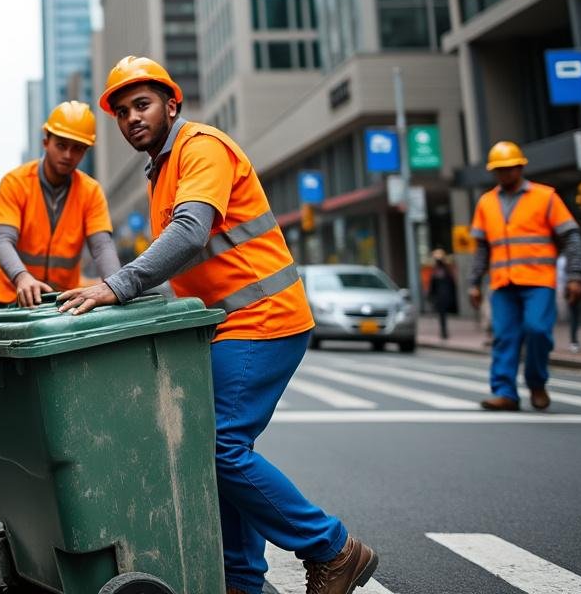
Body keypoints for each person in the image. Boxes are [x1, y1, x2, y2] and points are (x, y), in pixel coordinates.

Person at [56, 56, 377, 594]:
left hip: (263, 318)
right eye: (123, 111)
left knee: (218, 444)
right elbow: (184, 263)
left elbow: (189, 234)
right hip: (229, 325)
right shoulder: (161, 170)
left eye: (144, 104)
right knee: (224, 450)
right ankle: (242, 580)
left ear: (171, 104)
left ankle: (332, 548)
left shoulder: (201, 148)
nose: (133, 117)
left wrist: (118, 286)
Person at [467, 141, 581, 411]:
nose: (505, 174)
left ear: (520, 167)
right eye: (500, 170)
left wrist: (577, 275)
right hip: (502, 283)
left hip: (539, 281)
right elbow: (482, 249)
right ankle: (505, 392)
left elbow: (571, 236)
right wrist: (473, 283)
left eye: (510, 168)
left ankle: (536, 382)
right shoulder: (486, 202)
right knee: (504, 337)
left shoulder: (545, 197)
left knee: (537, 330)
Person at [0, 101, 120, 307]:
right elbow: (3, 241)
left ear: (85, 151)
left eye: (77, 148)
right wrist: (22, 277)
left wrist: (116, 286)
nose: (68, 155)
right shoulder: (14, 183)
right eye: (61, 145)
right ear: (45, 142)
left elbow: (102, 246)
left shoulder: (91, 191)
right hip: (12, 296)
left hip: (61, 300)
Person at [427, 249, 457, 340]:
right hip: (440, 296)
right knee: (442, 315)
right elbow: (432, 285)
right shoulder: (436, 271)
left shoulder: (445, 270)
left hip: (445, 296)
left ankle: (444, 332)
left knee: (443, 315)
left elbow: (451, 283)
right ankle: (443, 331)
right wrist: (431, 295)